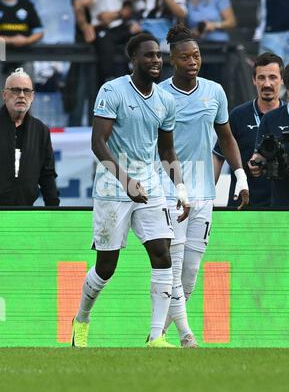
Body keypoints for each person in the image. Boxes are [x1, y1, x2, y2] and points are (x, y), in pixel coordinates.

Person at [72, 32, 190, 348]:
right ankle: (82, 318)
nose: (156, 61)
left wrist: (180, 188)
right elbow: (98, 142)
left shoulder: (166, 100)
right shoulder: (112, 91)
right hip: (113, 187)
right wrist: (126, 182)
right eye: (149, 55)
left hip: (150, 186)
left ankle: (155, 337)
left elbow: (167, 151)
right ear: (133, 59)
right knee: (106, 267)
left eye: (159, 55)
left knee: (162, 254)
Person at [158, 24, 249, 347]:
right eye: (185, 57)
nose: (192, 61)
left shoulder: (215, 92)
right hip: (170, 192)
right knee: (173, 267)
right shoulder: (161, 96)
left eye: (196, 55)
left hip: (204, 193)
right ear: (172, 61)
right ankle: (186, 336)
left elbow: (226, 138)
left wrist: (239, 176)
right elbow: (159, 147)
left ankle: (159, 334)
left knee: (190, 277)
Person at [213, 52, 285, 207]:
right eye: (261, 77)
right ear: (254, 80)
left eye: (273, 77)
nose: (267, 84)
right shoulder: (238, 115)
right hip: (243, 204)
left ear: (282, 79)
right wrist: (205, 196)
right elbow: (218, 156)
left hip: (282, 205)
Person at [0, 68, 60, 206]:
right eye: (15, 90)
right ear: (5, 94)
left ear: (32, 97)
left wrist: (55, 210)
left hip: (26, 212)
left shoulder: (41, 130)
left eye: (27, 91)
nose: (21, 95)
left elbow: (47, 176)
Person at [77, 0, 142, 87]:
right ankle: (107, 77)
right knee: (105, 46)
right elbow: (83, 3)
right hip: (101, 28)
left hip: (119, 26)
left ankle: (136, 71)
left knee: (137, 38)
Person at [249, 60, 289, 207]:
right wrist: (256, 162)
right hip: (282, 204)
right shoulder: (271, 119)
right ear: (286, 88)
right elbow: (259, 153)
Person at [183, 0, 236, 83]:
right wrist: (193, 32)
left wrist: (214, 25)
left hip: (217, 48)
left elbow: (231, 21)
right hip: (196, 50)